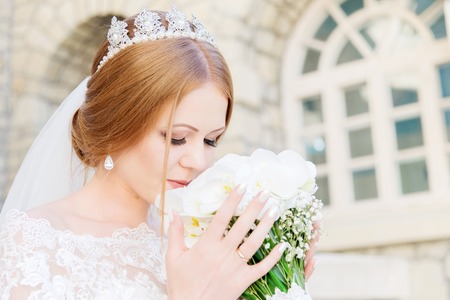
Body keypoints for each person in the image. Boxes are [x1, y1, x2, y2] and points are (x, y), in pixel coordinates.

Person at [0, 6, 317, 299]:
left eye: (211, 140)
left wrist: (281, 283)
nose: (199, 162)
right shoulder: (31, 244)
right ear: (116, 124)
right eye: (177, 138)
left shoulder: (206, 245)